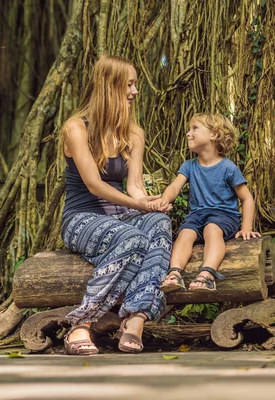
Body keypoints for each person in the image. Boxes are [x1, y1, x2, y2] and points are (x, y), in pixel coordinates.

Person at [60, 55, 172, 355]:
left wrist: (151, 202)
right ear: (110, 86)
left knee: (159, 224)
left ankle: (136, 318)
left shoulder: (134, 134)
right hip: (81, 219)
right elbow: (95, 185)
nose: (135, 92)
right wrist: (138, 205)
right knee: (134, 239)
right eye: (130, 84)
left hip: (121, 217)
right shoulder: (76, 128)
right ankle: (81, 325)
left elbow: (134, 186)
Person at [154, 113, 260, 292]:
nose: (188, 133)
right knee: (185, 233)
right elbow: (174, 186)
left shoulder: (228, 168)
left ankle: (207, 275)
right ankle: (174, 274)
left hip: (225, 216)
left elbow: (247, 198)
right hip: (197, 215)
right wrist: (164, 199)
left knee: (212, 229)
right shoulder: (189, 166)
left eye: (195, 129)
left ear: (214, 135)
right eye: (189, 129)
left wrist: (246, 228)